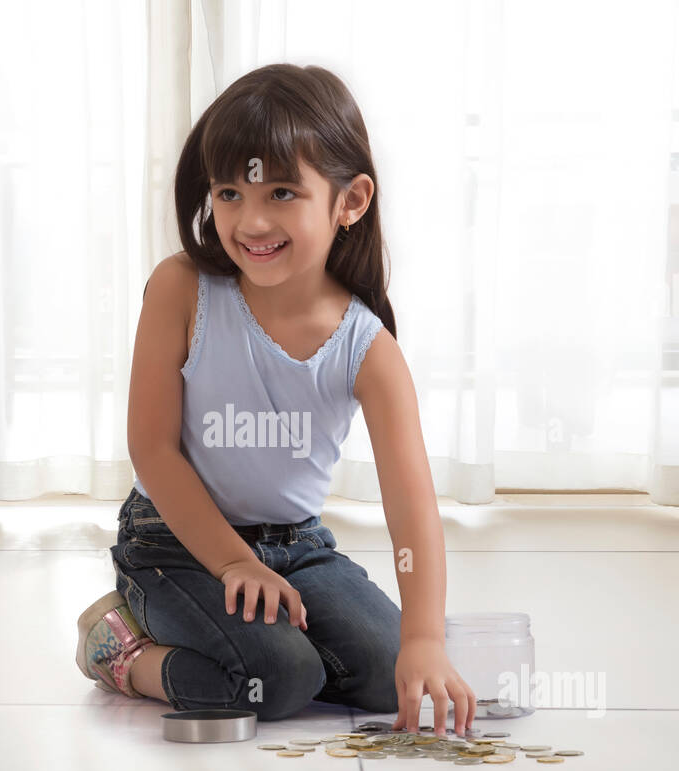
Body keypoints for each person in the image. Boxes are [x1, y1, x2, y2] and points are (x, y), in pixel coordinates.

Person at [77, 63, 475, 736]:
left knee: (387, 672)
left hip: (299, 548)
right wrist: (232, 562)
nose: (250, 220)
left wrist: (426, 638)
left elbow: (413, 511)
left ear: (349, 202)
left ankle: (264, 636)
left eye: (282, 192)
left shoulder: (367, 347)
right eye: (229, 192)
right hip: (175, 541)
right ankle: (118, 649)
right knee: (279, 680)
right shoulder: (182, 289)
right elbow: (152, 447)